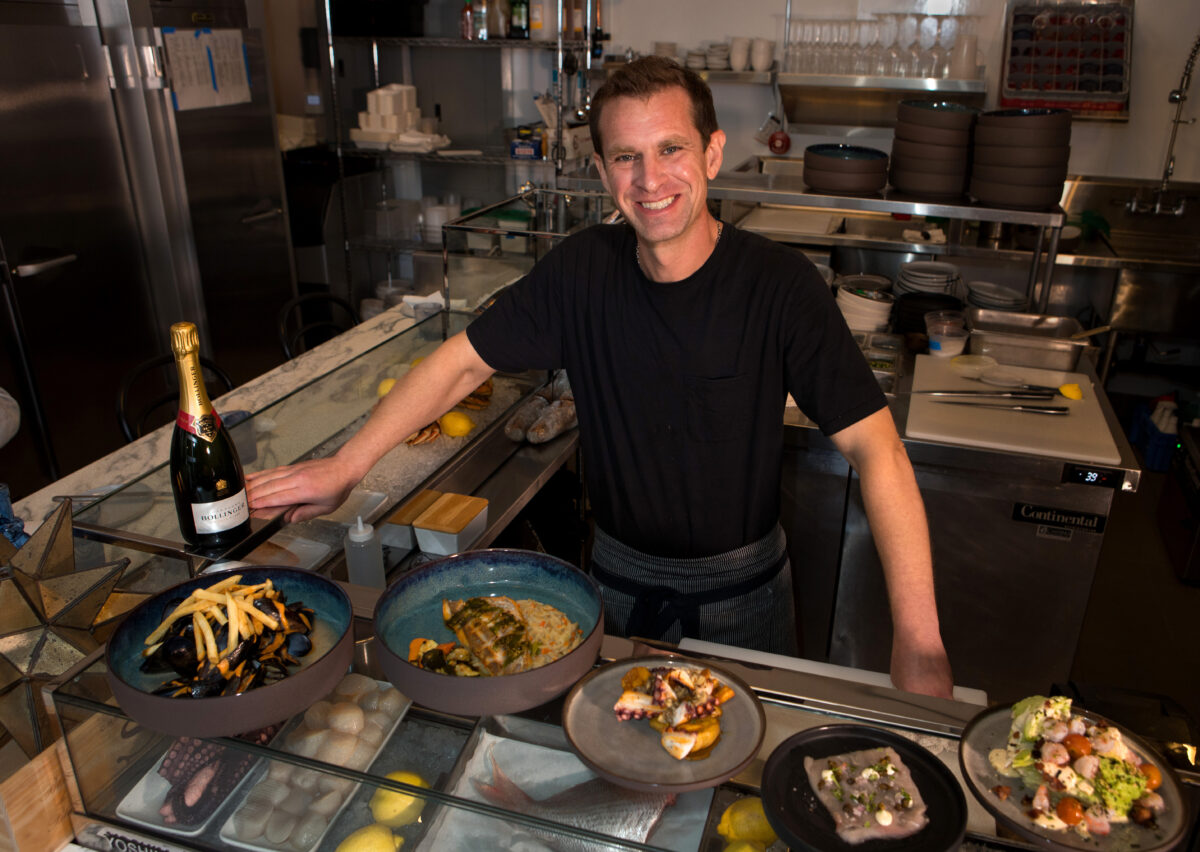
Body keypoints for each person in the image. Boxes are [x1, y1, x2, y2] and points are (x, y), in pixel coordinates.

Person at [248, 56, 953, 698]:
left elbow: (877, 450)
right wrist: (347, 467)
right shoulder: (582, 271)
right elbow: (462, 360)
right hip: (612, 593)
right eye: (627, 157)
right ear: (602, 169)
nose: (649, 180)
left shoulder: (780, 286)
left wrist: (919, 644)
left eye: (670, 149)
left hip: (743, 601)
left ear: (711, 153)